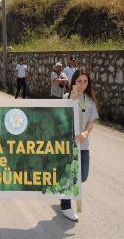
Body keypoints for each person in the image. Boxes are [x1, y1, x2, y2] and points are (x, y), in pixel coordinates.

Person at [60, 68, 99, 222]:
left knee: (82, 175)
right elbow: (61, 118)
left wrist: (85, 133)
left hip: (83, 145)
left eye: (85, 81)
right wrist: (72, 100)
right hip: (68, 145)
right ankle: (65, 206)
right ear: (73, 82)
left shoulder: (90, 100)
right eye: (79, 81)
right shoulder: (66, 97)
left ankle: (63, 196)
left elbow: (91, 122)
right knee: (71, 175)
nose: (82, 84)